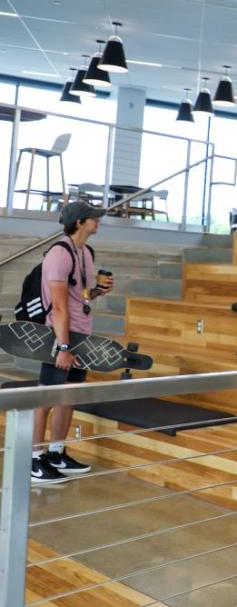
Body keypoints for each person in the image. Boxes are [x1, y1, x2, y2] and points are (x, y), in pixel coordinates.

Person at [32, 201, 114, 484]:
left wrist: (97, 292)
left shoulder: (85, 252)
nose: (98, 221)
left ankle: (56, 452)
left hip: (80, 333)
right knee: (46, 397)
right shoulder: (59, 253)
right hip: (60, 335)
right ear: (80, 222)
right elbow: (58, 307)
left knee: (69, 395)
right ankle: (34, 458)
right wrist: (63, 347)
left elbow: (82, 296)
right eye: (94, 218)